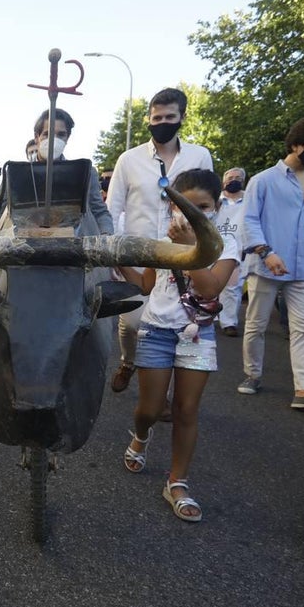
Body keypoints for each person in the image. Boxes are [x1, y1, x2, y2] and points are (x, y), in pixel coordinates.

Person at [118, 170, 238, 522]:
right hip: (155, 330)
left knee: (186, 410)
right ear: (172, 206)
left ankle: (177, 482)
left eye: (203, 207)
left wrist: (187, 248)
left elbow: (210, 288)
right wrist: (121, 263)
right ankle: (141, 436)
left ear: (216, 207)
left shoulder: (226, 245)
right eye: (184, 206)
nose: (192, 214)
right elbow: (146, 286)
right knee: (150, 409)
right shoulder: (161, 241)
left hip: (198, 334)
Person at [106, 87, 214, 394]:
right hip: (138, 253)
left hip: (181, 253)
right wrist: (112, 254)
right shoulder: (129, 159)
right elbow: (112, 208)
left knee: (174, 324)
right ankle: (128, 361)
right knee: (132, 322)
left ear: (182, 117)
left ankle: (160, 394)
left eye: (169, 117)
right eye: (157, 118)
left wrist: (203, 249)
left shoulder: (199, 156)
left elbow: (206, 205)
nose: (162, 123)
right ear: (149, 119)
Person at [239, 114, 304, 411]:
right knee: (256, 325)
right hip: (267, 265)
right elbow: (249, 220)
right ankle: (252, 374)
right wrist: (266, 252)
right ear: (297, 145)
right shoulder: (263, 181)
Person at [0, 108, 114, 238]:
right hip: (26, 248)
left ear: (67, 138)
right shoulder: (16, 175)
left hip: (72, 249)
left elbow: (100, 212)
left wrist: (106, 237)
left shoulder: (84, 173)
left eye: (61, 135)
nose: (53, 140)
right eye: (47, 134)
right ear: (37, 137)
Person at [216, 167, 247, 336]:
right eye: (230, 178)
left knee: (232, 286)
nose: (233, 180)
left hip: (238, 248)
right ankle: (204, 315)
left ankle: (229, 322)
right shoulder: (216, 199)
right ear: (224, 182)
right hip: (215, 246)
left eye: (238, 178)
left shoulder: (250, 200)